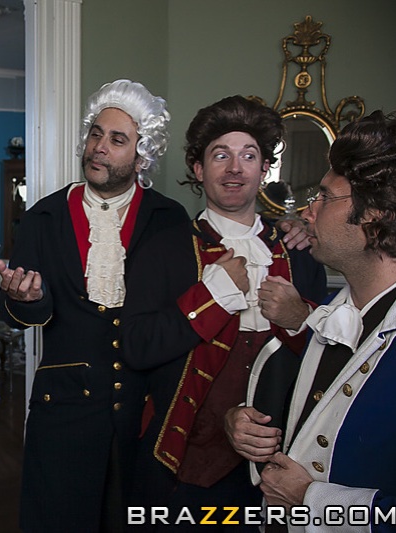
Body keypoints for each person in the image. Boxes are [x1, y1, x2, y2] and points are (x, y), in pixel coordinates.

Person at [121, 95, 327, 531]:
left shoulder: (300, 251)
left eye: (248, 156)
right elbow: (137, 348)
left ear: (264, 169)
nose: (235, 168)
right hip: (185, 467)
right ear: (198, 169)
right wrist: (210, 297)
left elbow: (332, 361)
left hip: (281, 469)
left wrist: (301, 318)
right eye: (220, 155)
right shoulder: (163, 249)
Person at [0, 79, 189, 532]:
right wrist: (26, 298)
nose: (99, 147)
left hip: (143, 412)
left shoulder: (169, 220)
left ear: (141, 156)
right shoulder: (43, 217)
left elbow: (180, 314)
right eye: (95, 134)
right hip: (63, 412)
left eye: (117, 139)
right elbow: (18, 315)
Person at [226, 110, 396, 532]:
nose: (307, 211)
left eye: (324, 197)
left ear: (374, 213)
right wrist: (241, 424)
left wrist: (311, 499)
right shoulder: (328, 313)